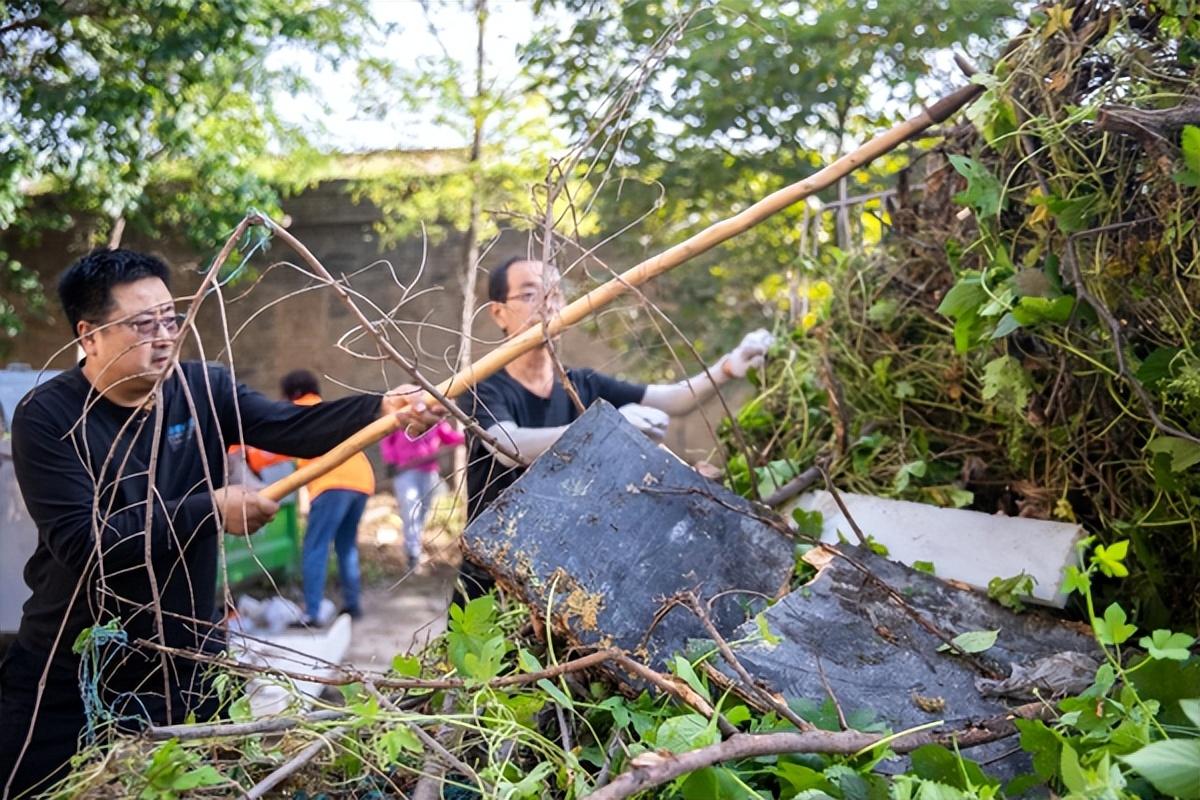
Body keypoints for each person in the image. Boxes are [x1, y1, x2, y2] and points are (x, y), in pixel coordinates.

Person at [0, 248, 439, 798]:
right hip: (74, 668)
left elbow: (291, 427)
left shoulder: (201, 388)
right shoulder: (48, 416)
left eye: (170, 318)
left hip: (186, 665)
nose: (164, 335)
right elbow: (88, 543)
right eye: (143, 324)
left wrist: (380, 408)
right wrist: (209, 509)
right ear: (88, 336)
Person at [460, 255, 772, 596]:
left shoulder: (581, 383)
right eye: (531, 294)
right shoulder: (481, 386)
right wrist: (604, 428)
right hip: (494, 570)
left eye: (555, 294)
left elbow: (673, 399)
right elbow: (509, 446)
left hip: (563, 574)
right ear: (498, 312)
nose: (548, 306)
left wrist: (727, 367)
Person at [279, 369, 376, 625]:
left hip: (332, 483)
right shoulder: (327, 409)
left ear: (290, 394)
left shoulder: (295, 413)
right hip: (362, 479)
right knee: (346, 545)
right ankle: (353, 606)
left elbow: (272, 450)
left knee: (316, 546)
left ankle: (312, 613)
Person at [380, 420, 465, 566]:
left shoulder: (435, 420)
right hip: (405, 471)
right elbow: (387, 441)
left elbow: (449, 437)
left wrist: (469, 436)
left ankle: (415, 546)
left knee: (423, 511)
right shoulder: (401, 418)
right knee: (411, 509)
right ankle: (412, 553)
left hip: (429, 471)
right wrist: (391, 459)